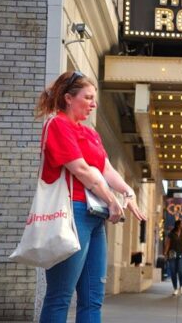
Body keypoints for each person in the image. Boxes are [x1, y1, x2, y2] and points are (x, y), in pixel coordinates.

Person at [35, 71, 147, 322]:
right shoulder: (57, 124)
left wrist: (128, 194)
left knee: (93, 298)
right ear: (68, 98)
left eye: (94, 98)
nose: (94, 104)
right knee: (60, 296)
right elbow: (82, 170)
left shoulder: (90, 133)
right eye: (88, 98)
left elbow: (106, 168)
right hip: (71, 213)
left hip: (94, 217)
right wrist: (110, 200)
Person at [164, 219, 182, 296]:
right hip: (172, 254)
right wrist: (165, 253)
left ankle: (181, 287)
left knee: (181, 271)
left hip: (181, 255)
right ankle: (175, 288)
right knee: (173, 272)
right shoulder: (171, 234)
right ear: (178, 225)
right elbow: (168, 244)